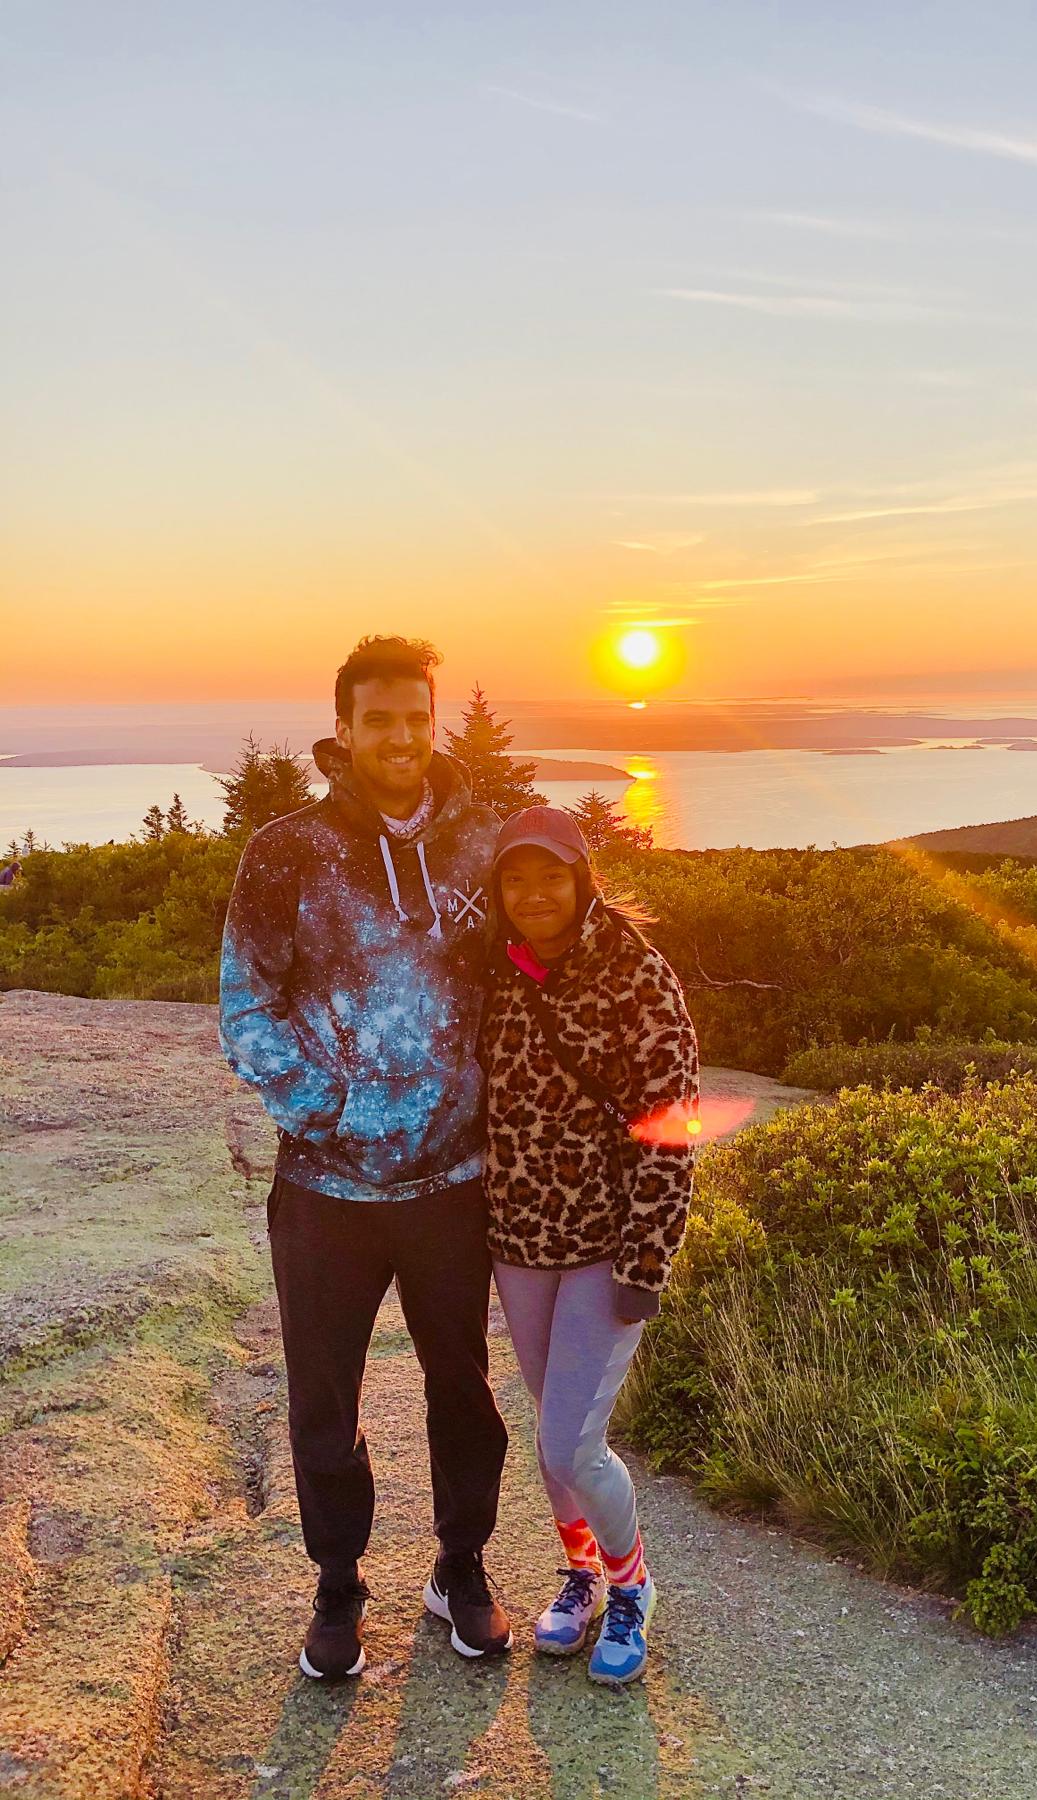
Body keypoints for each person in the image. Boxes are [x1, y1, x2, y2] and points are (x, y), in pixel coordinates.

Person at [219, 635, 511, 1681]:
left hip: (453, 1186)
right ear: (342, 730)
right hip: (326, 1191)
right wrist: (332, 1108)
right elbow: (247, 1007)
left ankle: (461, 1570)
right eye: (377, 720)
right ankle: (338, 1586)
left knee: (463, 1393)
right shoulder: (286, 852)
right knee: (324, 1404)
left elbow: (538, 978)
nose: (399, 737)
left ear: (434, 723)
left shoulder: (486, 843)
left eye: (415, 718)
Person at [479, 806, 699, 1685]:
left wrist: (648, 1260)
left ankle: (633, 1583)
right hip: (519, 1240)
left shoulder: (639, 976)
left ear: (583, 878)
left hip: (609, 1247)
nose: (534, 894)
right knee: (549, 1437)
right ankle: (581, 1575)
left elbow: (671, 1129)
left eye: (552, 875)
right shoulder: (494, 971)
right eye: (515, 878)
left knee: (575, 1442)